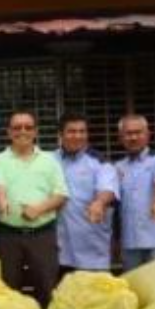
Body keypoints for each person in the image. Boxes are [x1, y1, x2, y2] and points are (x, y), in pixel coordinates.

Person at [0, 110, 68, 307]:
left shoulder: (50, 160)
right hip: (8, 235)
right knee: (7, 289)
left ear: (35, 132)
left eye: (28, 127)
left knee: (47, 286)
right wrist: (1, 198)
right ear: (9, 132)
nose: (22, 131)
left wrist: (39, 209)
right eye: (17, 128)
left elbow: (61, 194)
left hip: (42, 235)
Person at [53, 113, 119, 273]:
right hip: (58, 250)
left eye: (82, 131)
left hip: (92, 249)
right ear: (60, 134)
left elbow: (108, 189)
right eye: (72, 131)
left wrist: (99, 203)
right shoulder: (49, 160)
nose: (78, 136)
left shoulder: (100, 162)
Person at [115, 114, 155, 270]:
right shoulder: (118, 167)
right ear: (120, 137)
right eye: (128, 133)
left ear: (148, 135)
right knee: (133, 291)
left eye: (138, 132)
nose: (133, 137)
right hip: (130, 243)